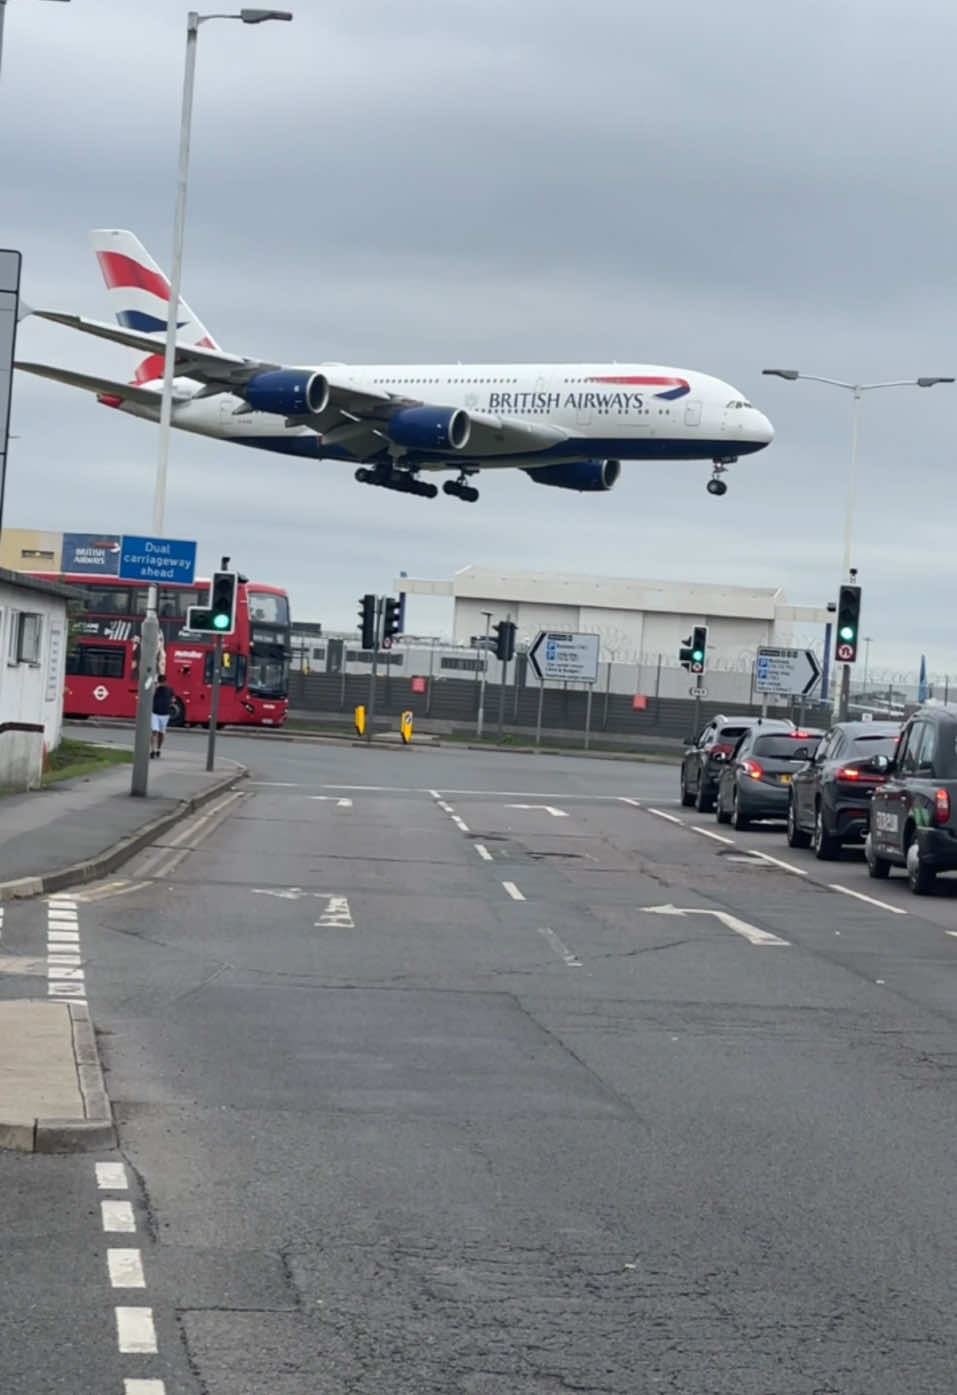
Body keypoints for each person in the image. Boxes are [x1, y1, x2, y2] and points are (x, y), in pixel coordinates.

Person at [151, 674, 174, 759]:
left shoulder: (170, 689)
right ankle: (152, 750)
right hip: (155, 713)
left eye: (163, 682)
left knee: (161, 733)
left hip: (165, 714)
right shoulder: (155, 689)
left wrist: (171, 702)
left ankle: (158, 749)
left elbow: (172, 699)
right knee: (154, 731)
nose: (162, 684)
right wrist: (155, 686)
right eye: (161, 682)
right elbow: (151, 694)